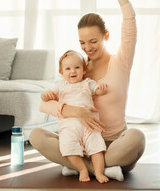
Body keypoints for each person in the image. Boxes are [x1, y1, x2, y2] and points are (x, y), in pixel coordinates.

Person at [30, 0, 145, 178]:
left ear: (106, 36)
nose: (87, 48)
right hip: (80, 143)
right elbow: (45, 105)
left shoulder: (120, 61)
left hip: (114, 145)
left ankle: (81, 167)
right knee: (36, 135)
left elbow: (130, 18)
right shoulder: (77, 69)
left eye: (93, 41)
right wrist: (75, 112)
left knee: (137, 138)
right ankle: (99, 169)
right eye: (82, 43)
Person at [41, 49, 112, 183]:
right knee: (67, 148)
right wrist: (45, 95)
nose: (73, 71)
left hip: (90, 125)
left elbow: (97, 90)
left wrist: (101, 89)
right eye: (68, 68)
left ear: (84, 70)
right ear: (62, 73)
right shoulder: (60, 86)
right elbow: (46, 97)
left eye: (77, 67)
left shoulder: (88, 83)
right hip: (68, 126)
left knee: (98, 148)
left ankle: (98, 172)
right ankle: (82, 169)